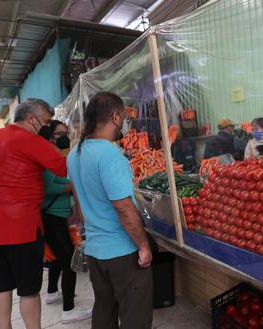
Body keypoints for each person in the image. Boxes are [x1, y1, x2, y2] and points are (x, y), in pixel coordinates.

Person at [0, 99, 67, 329]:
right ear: (31, 118)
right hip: (24, 228)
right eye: (46, 121)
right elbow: (63, 168)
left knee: (1, 287)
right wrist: (60, 144)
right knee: (29, 291)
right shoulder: (31, 141)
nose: (47, 126)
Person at [67, 92, 152, 329]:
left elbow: (79, 201)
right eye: (123, 116)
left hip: (95, 249)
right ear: (115, 116)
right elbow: (123, 207)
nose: (124, 122)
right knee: (135, 315)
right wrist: (143, 245)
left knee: (104, 308)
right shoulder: (111, 155)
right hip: (121, 251)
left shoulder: (75, 153)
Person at [41, 120, 91, 323]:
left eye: (66, 132)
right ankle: (69, 309)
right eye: (60, 133)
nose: (64, 136)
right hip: (52, 215)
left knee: (57, 257)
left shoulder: (53, 156)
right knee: (69, 261)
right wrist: (71, 186)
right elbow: (48, 187)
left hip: (56, 215)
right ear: (50, 136)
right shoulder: (45, 157)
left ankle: (52, 292)